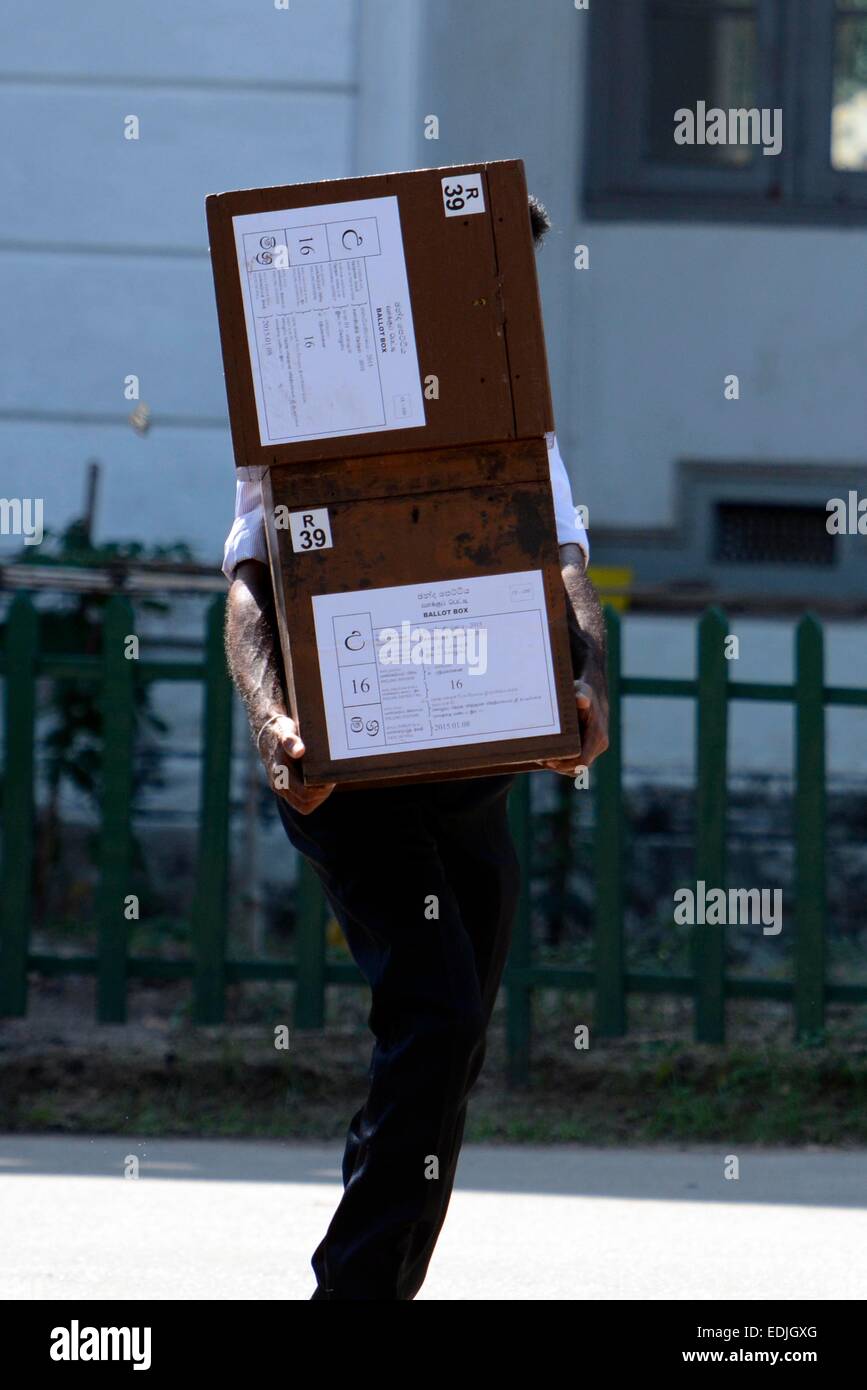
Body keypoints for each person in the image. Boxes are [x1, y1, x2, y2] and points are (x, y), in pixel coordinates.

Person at [222, 195, 609, 1299]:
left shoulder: (509, 414)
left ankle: (376, 1284)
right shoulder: (306, 405)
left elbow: (561, 554)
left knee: (450, 1045)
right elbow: (250, 580)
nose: (504, 307)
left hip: (473, 773)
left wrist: (586, 675)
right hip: (350, 775)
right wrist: (271, 717)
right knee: (436, 1022)